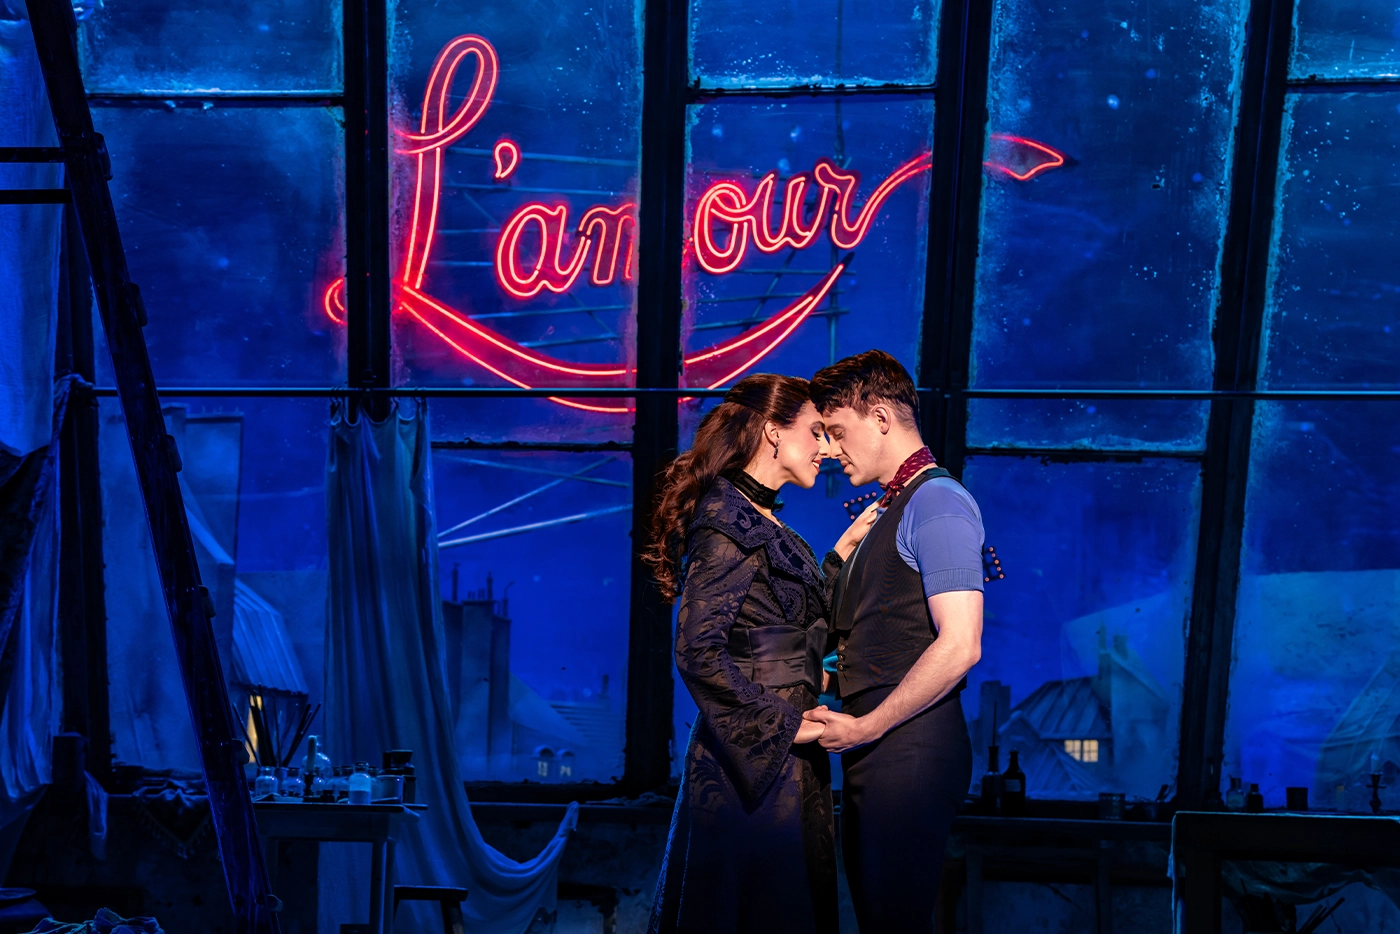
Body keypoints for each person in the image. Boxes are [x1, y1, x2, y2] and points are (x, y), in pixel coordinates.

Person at [645, 373, 877, 934]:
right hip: (752, 760)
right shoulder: (727, 524)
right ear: (773, 432)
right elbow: (698, 651)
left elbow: (786, 626)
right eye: (816, 432)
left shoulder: (763, 520)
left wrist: (837, 558)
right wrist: (780, 723)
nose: (827, 449)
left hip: (782, 751)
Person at [803, 350, 985, 933]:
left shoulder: (936, 501)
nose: (830, 449)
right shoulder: (890, 510)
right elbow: (873, 633)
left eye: (836, 431)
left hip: (908, 747)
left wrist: (865, 727)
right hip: (879, 746)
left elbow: (961, 645)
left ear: (880, 418)